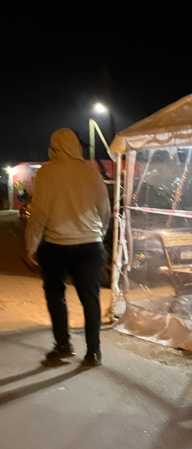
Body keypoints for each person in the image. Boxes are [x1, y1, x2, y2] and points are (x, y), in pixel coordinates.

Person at [25, 128, 110, 367]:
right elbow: (105, 211)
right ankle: (93, 352)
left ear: (54, 147)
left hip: (56, 246)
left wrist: (31, 245)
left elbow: (39, 214)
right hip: (89, 247)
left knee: (55, 296)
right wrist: (97, 235)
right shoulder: (91, 172)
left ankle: (63, 346)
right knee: (90, 299)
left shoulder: (47, 173)